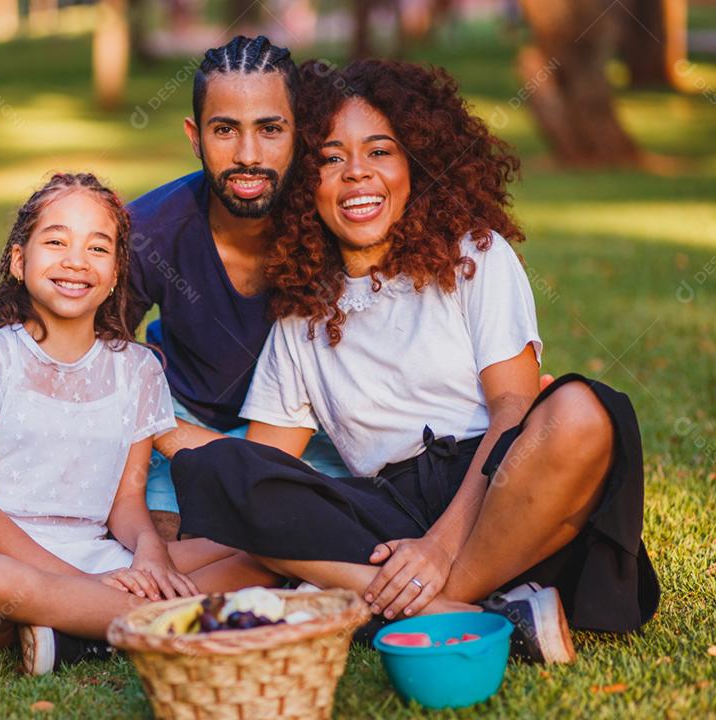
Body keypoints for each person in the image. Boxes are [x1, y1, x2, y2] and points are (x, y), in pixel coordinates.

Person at [168, 60, 660, 664]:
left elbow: (512, 407)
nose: (357, 175)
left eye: (381, 150)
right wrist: (152, 435)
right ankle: (478, 619)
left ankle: (442, 600)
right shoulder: (302, 313)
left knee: (581, 412)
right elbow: (267, 469)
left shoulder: (474, 255)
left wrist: (440, 547)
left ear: (419, 164)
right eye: (329, 158)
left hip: (501, 489)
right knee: (226, 469)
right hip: (386, 515)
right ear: (304, 181)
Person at [0, 172, 271, 675]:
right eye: (56, 241)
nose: (75, 261)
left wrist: (151, 555)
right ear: (20, 261)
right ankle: (164, 624)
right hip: (2, 556)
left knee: (256, 554)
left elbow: (127, 503)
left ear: (115, 275)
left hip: (97, 555)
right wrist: (79, 585)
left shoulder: (138, 369)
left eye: (97, 248)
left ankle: (77, 634)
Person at [124, 36, 347, 537]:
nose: (248, 155)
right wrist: (154, 423)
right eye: (225, 129)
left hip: (307, 429)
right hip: (178, 420)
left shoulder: (335, 220)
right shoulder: (151, 228)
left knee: (309, 536)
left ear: (300, 134)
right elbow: (93, 349)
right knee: (163, 538)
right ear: (194, 136)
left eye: (270, 129)